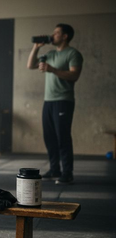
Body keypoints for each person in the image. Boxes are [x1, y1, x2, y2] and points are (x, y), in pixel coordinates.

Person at [27, 23, 83, 184]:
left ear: (65, 36)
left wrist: (53, 70)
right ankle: (54, 169)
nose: (53, 35)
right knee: (49, 137)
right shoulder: (50, 53)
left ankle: (67, 173)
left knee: (63, 137)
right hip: (48, 101)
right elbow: (30, 65)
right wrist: (36, 47)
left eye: (57, 33)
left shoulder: (73, 54)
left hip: (63, 101)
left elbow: (74, 75)